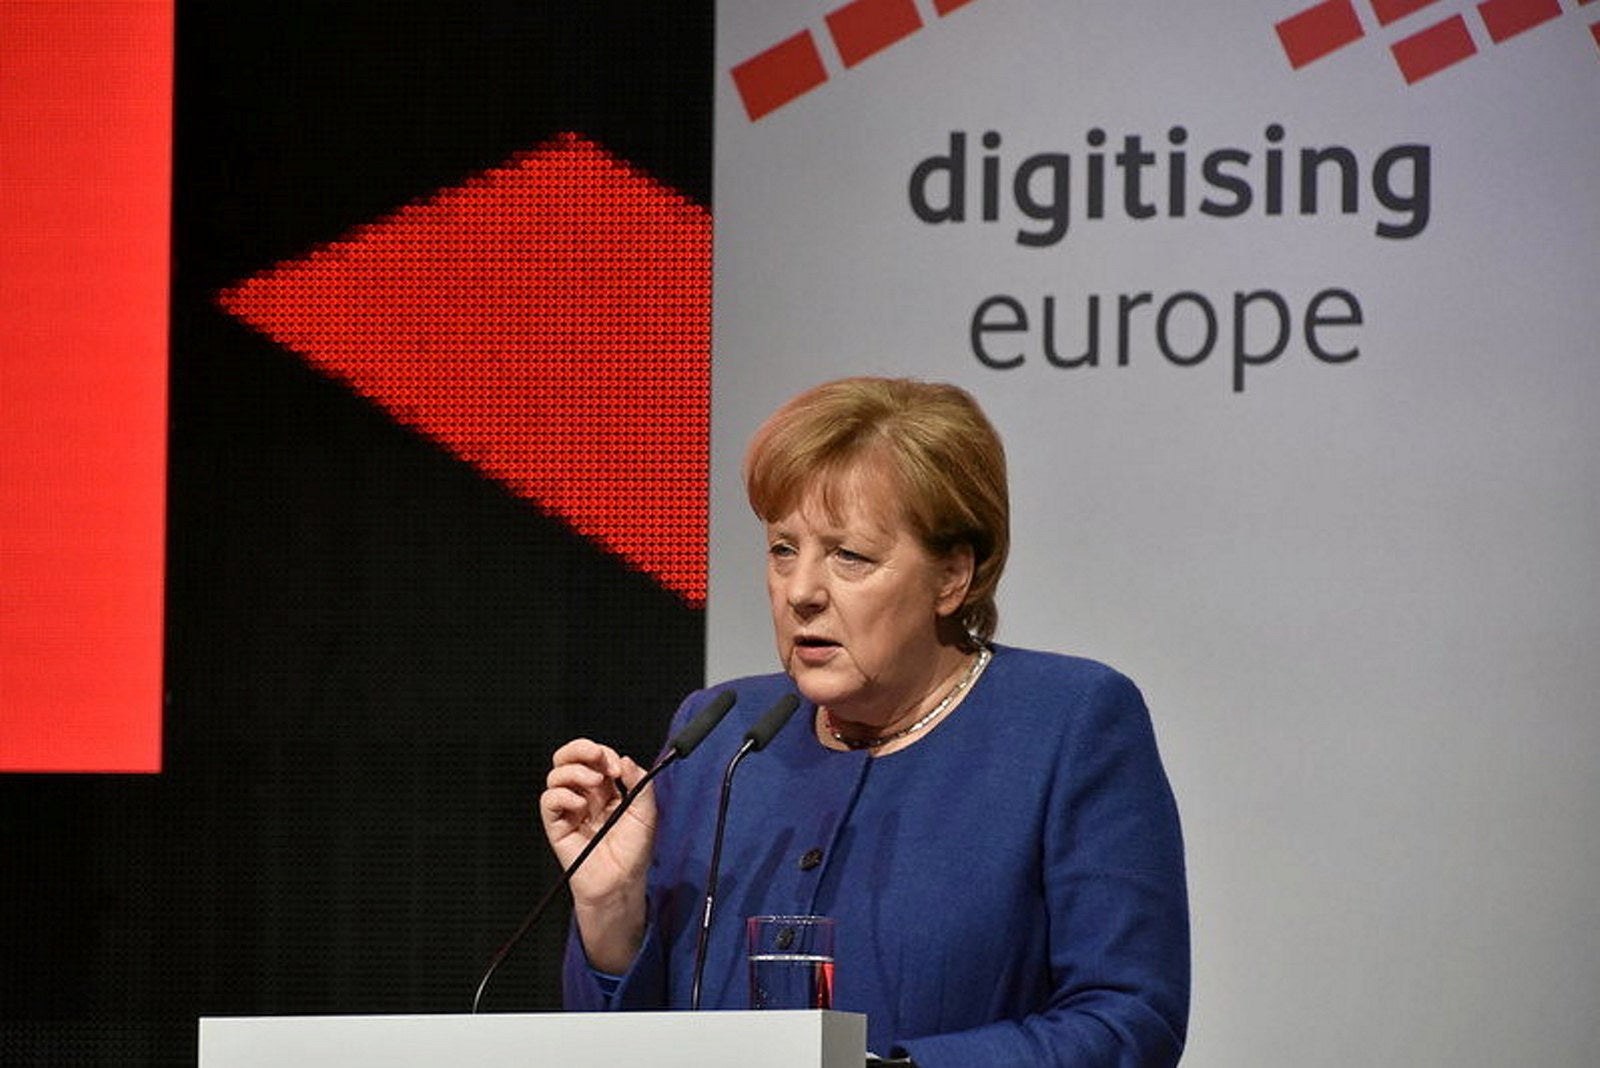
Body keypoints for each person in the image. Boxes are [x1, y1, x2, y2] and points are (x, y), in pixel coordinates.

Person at [541, 377, 1189, 1066]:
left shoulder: (1067, 723)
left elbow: (1129, 1020)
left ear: (952, 576)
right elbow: (620, 1047)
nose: (800, 591)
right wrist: (612, 912)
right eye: (783, 548)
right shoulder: (720, 733)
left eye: (848, 555)